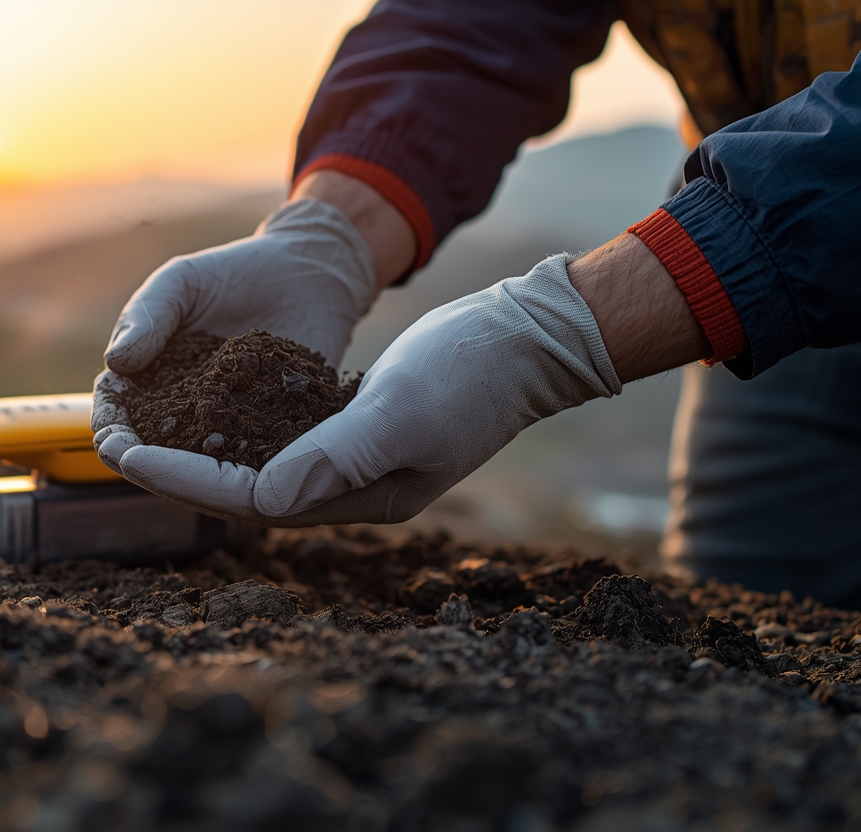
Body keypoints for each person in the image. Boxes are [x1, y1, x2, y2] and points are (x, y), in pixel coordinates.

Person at [92, 1, 861, 605]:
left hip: (756, 240)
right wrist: (331, 232)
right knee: (751, 616)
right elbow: (477, 19)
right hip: (761, 250)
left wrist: (556, 333)